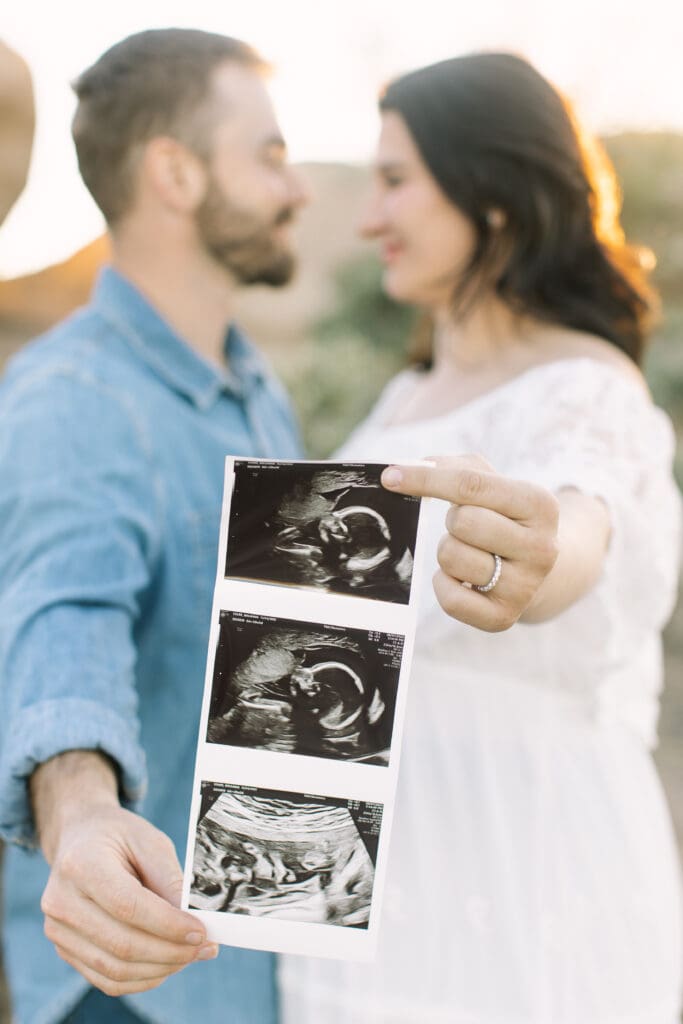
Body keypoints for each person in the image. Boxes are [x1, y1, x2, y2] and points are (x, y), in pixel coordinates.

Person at [279, 53, 683, 1023]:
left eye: (393, 181)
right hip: (361, 882)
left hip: (521, 866)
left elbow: (582, 523)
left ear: (491, 195)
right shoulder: (396, 399)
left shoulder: (584, 384)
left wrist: (534, 562)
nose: (368, 217)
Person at [0, 28, 308, 1024]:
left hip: (265, 963)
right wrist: (82, 814)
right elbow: (59, 619)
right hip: (130, 988)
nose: (295, 187)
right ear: (175, 172)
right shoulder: (70, 394)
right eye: (266, 154)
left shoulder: (260, 398)